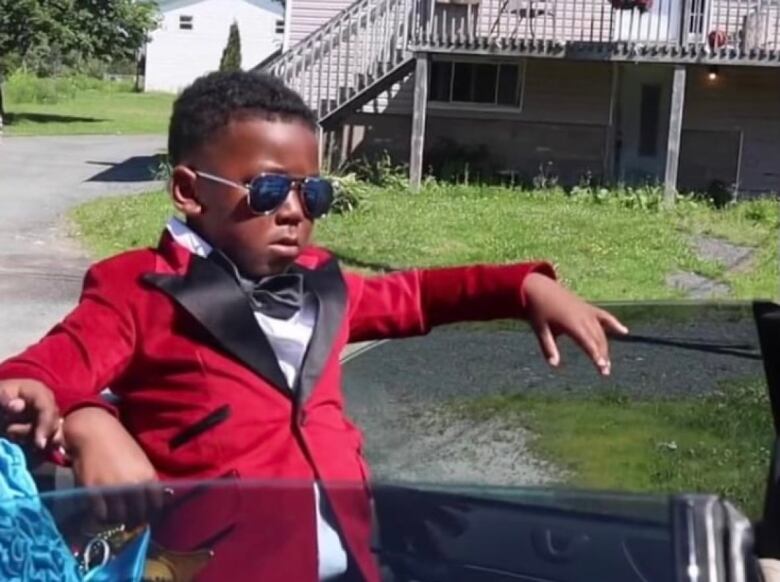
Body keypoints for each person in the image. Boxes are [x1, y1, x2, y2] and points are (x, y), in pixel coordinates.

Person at [0, 71, 628, 581]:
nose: (296, 212)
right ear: (191, 191)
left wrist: (522, 285)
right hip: (218, 566)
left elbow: (414, 294)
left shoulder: (321, 281)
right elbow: (40, 373)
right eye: (270, 190)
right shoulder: (137, 287)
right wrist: (88, 421)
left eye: (314, 193)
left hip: (351, 558)